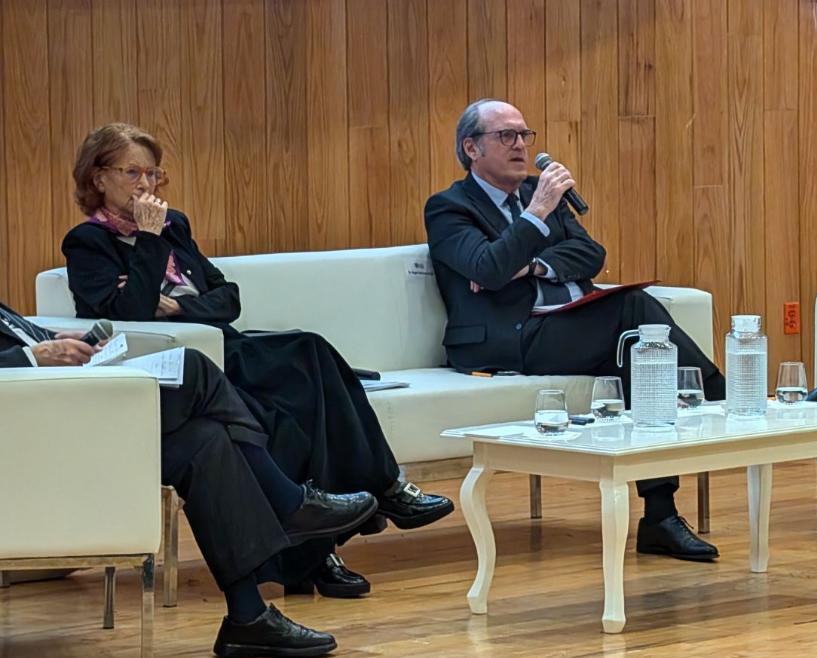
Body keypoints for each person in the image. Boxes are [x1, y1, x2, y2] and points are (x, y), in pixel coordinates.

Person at [60, 123, 454, 598]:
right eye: (132, 173)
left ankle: (327, 545)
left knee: (302, 402)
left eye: (153, 174)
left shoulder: (175, 225)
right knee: (302, 365)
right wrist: (148, 245)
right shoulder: (87, 243)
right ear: (99, 178)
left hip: (225, 344)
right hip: (179, 369)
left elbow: (228, 298)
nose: (146, 185)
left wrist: (180, 304)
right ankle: (378, 497)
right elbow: (130, 314)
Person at [424, 99, 723, 561]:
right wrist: (535, 214)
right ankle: (722, 398)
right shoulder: (448, 208)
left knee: (635, 357)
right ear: (472, 148)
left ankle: (660, 515)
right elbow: (487, 265)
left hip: (562, 324)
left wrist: (534, 266)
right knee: (634, 311)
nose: (521, 145)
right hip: (504, 340)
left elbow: (590, 254)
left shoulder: (537, 195)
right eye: (506, 136)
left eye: (526, 135)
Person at [0, 303, 376, 656]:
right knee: (193, 368)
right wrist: (35, 356)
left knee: (206, 441)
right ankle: (289, 503)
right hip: (30, 443)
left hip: (60, 418)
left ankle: (248, 617)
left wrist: (53, 339)